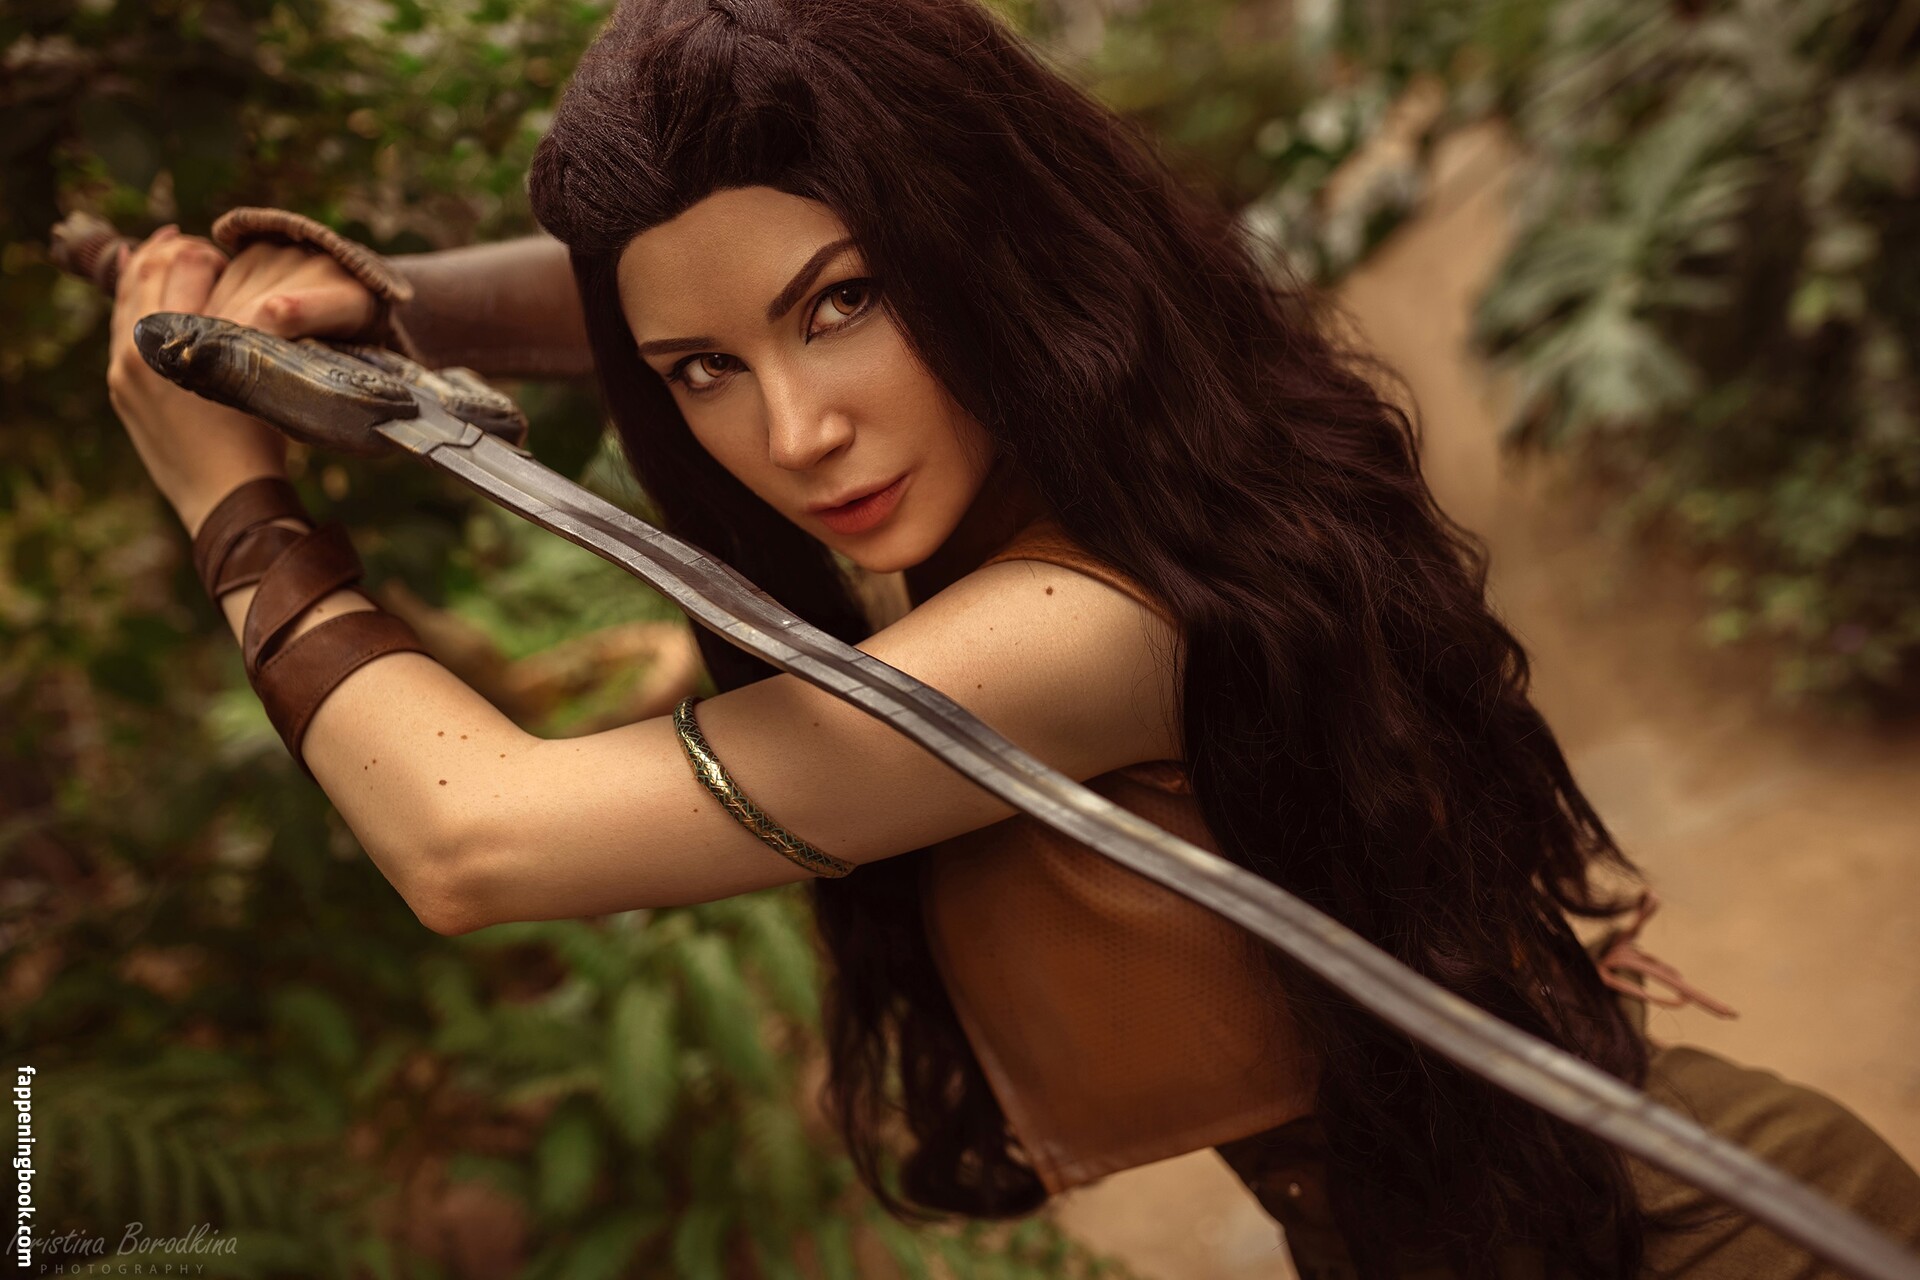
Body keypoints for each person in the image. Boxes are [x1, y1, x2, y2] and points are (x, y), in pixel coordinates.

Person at [101, 0, 1920, 1275]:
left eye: (847, 306)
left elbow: (470, 843)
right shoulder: (1152, 447)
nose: (795, 431)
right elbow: (674, 283)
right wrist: (393, 309)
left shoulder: (1078, 629)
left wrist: (229, 506)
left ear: (979, 252)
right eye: (704, 374)